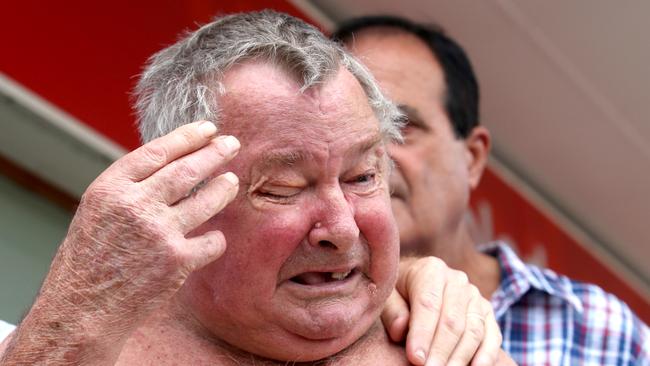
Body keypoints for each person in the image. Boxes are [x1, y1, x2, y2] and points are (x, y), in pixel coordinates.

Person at [0, 11, 514, 365]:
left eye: (363, 177)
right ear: (179, 193)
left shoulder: (451, 341)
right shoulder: (79, 342)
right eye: (283, 188)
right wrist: (76, 310)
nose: (341, 227)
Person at [333, 15, 649, 365]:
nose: (375, 157)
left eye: (403, 126)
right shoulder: (296, 319)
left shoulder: (600, 329)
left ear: (473, 158)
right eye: (352, 131)